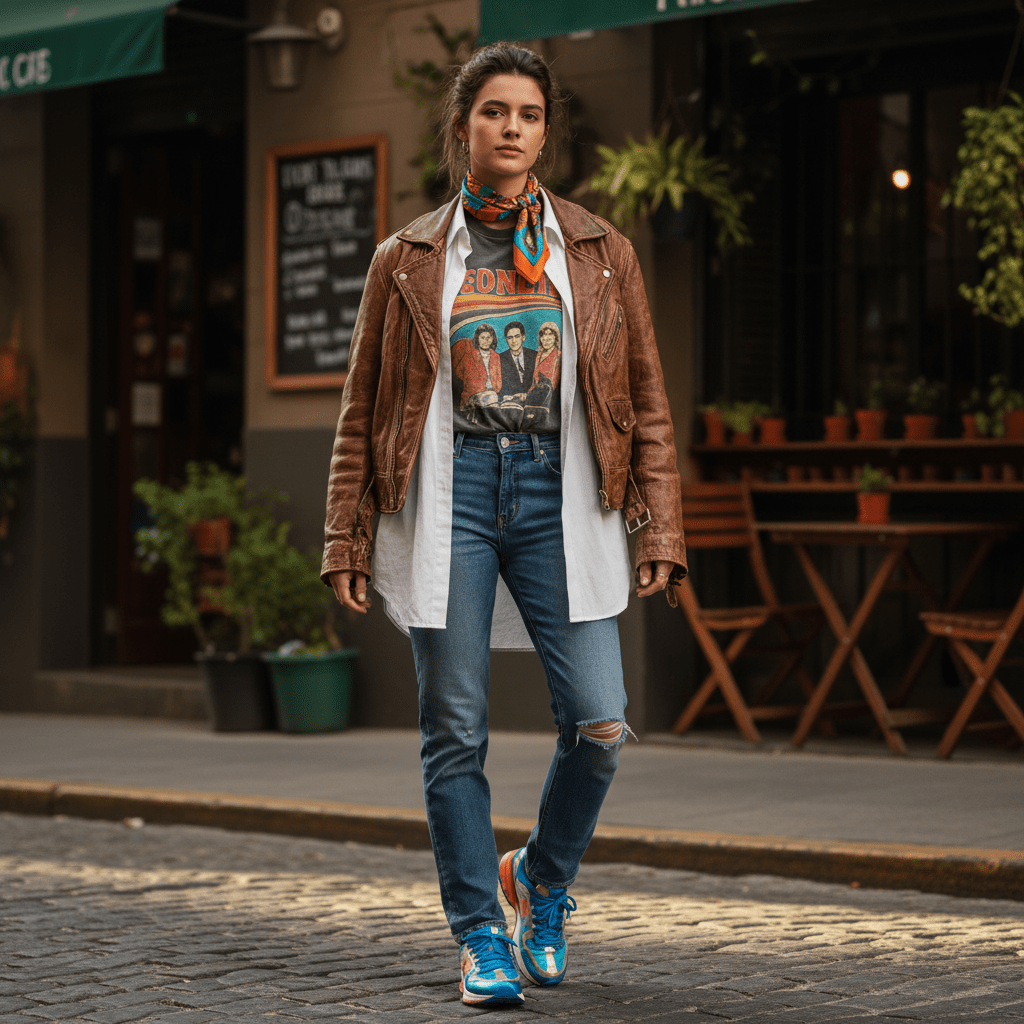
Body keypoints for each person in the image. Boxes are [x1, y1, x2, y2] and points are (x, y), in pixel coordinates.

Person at [322, 41, 686, 1008]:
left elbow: (646, 397)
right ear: (463, 126)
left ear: (544, 132)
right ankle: (479, 932)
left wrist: (660, 527)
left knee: (600, 722)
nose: (512, 127)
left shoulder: (600, 252)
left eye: (528, 113)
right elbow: (363, 410)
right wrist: (345, 535)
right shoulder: (406, 260)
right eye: (494, 111)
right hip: (453, 494)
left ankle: (541, 879)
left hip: (562, 494)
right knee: (455, 729)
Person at [498, 320, 535, 401]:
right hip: (509, 403)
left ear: (523, 337)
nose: (514, 341)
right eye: (510, 337)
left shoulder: (535, 356)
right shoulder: (499, 359)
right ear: (506, 339)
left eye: (517, 336)